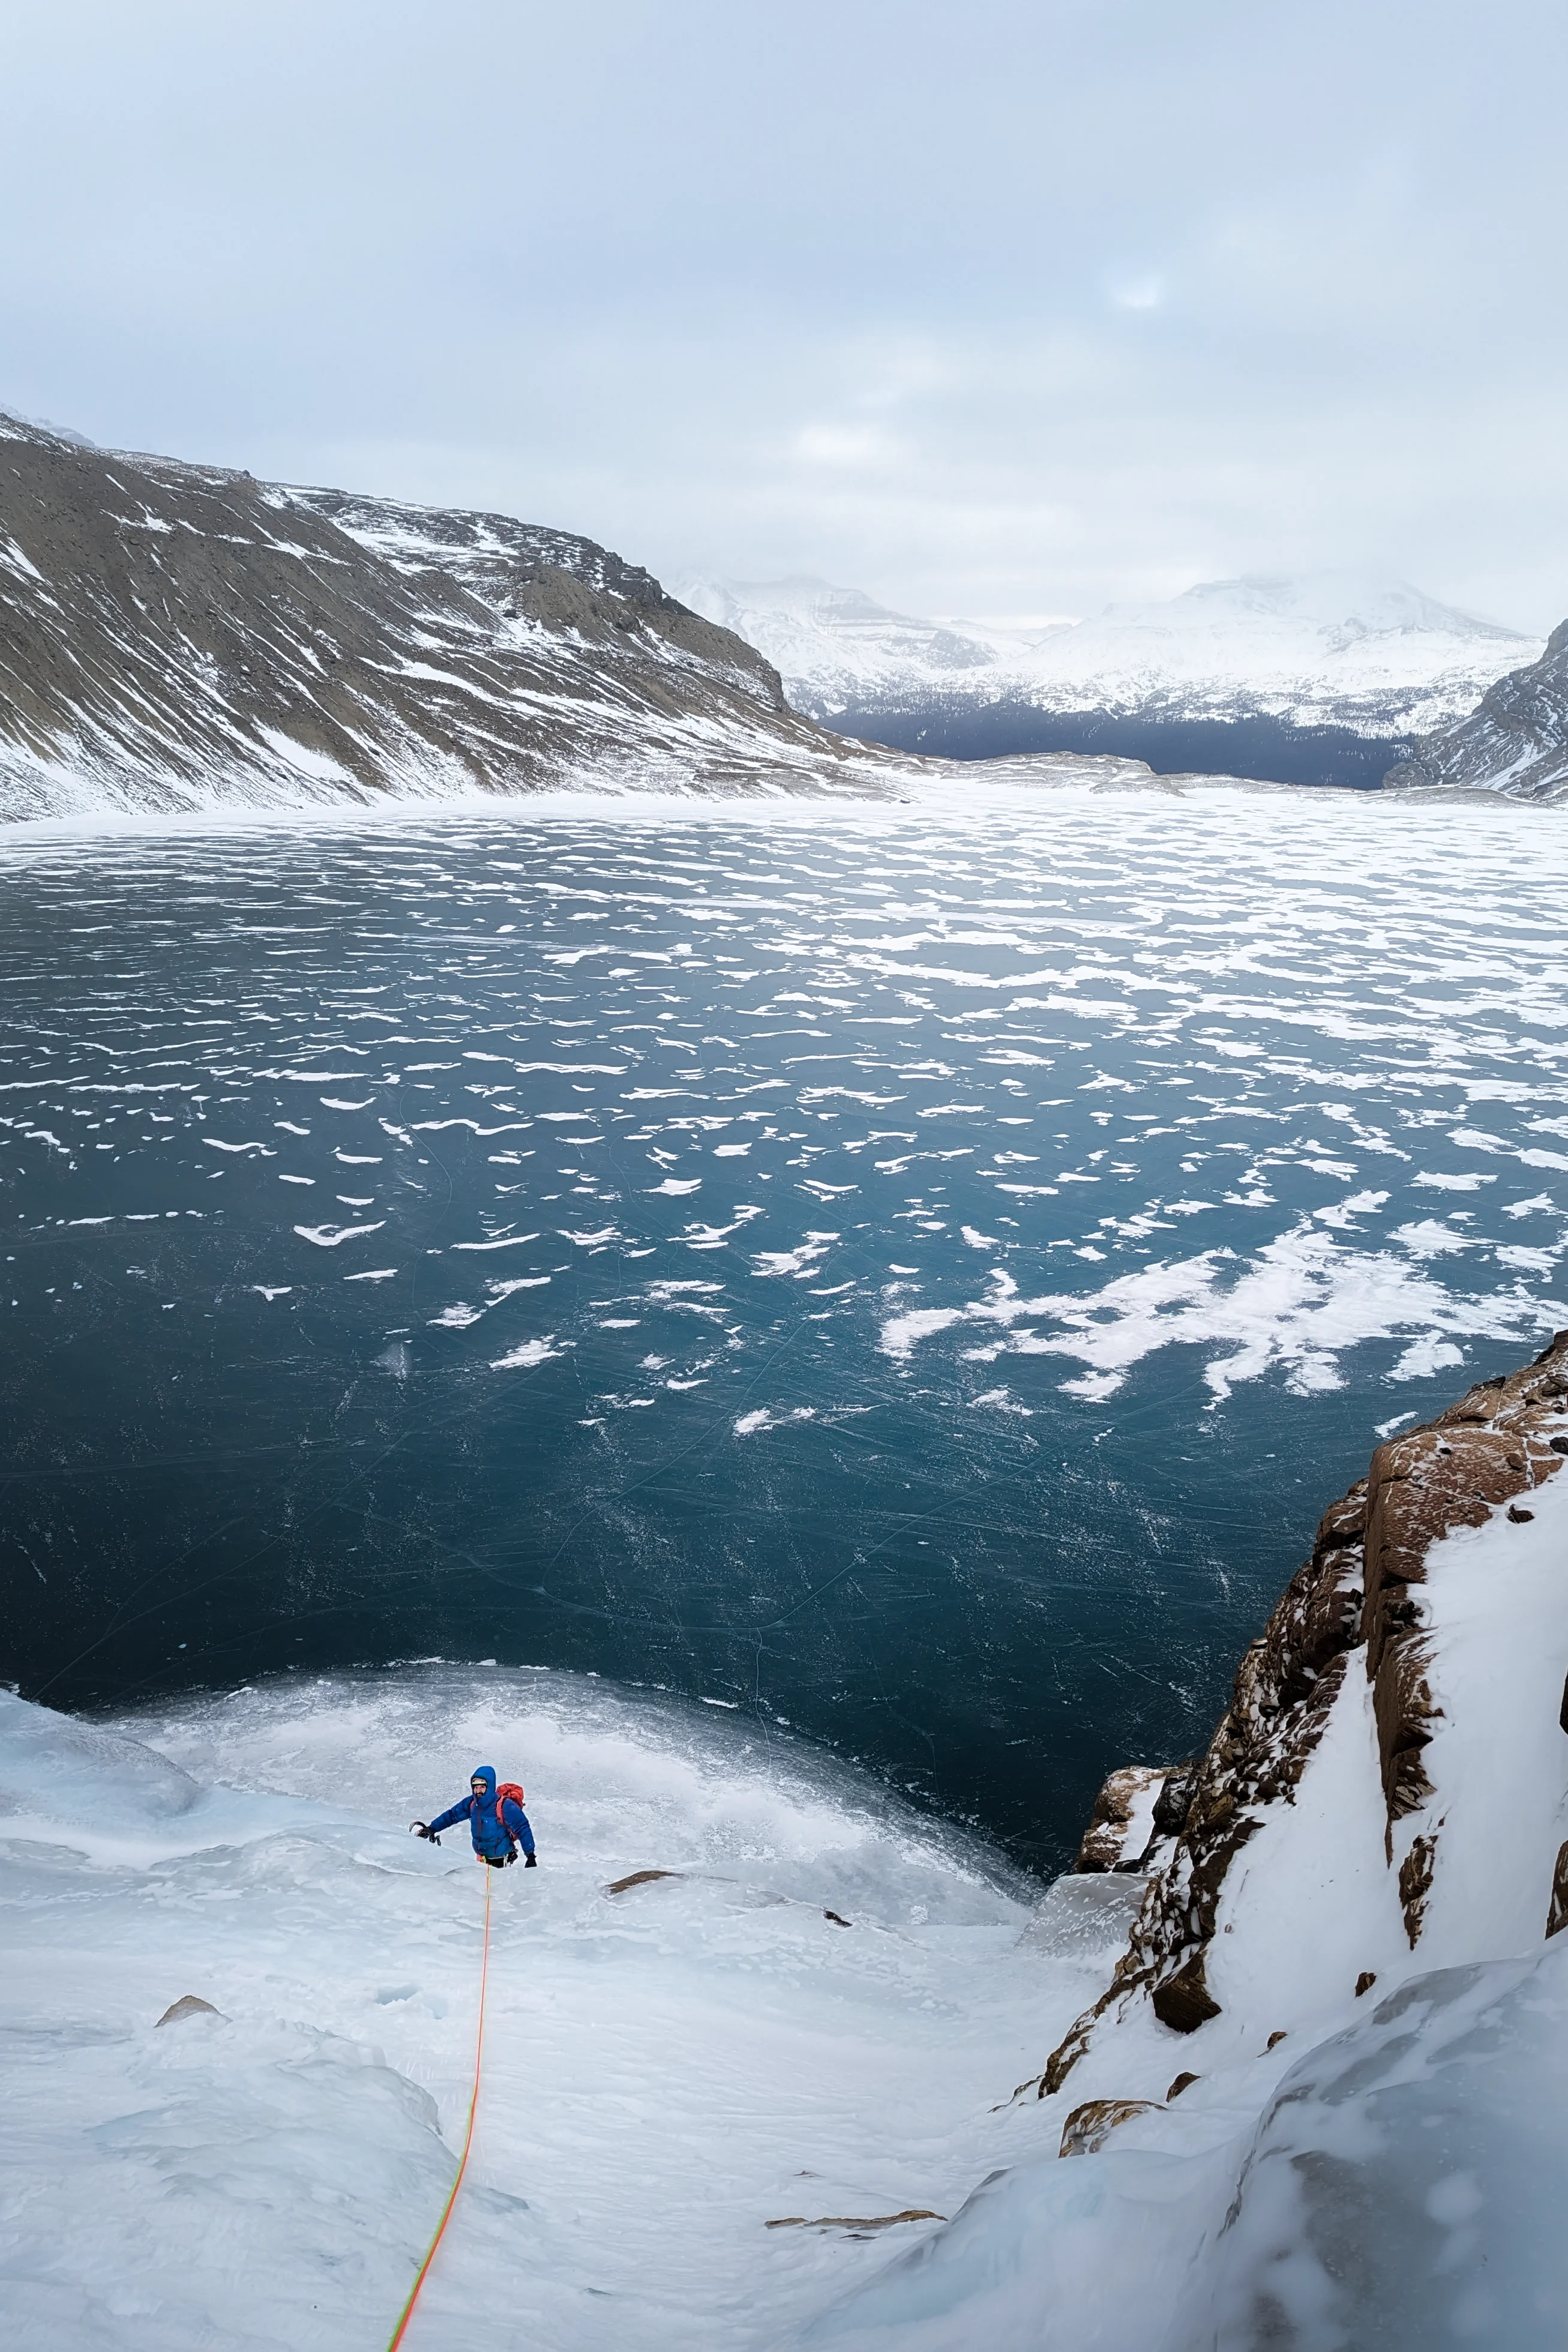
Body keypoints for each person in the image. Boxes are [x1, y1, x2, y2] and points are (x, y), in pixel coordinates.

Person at [412, 1765, 538, 1867]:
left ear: (490, 1786)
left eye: (482, 1787)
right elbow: (452, 1816)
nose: (478, 1791)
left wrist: (530, 1855)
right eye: (476, 1787)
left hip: (502, 1860)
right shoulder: (471, 1803)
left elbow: (522, 1828)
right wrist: (432, 1828)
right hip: (481, 1859)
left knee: (496, 1895)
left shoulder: (505, 1806)